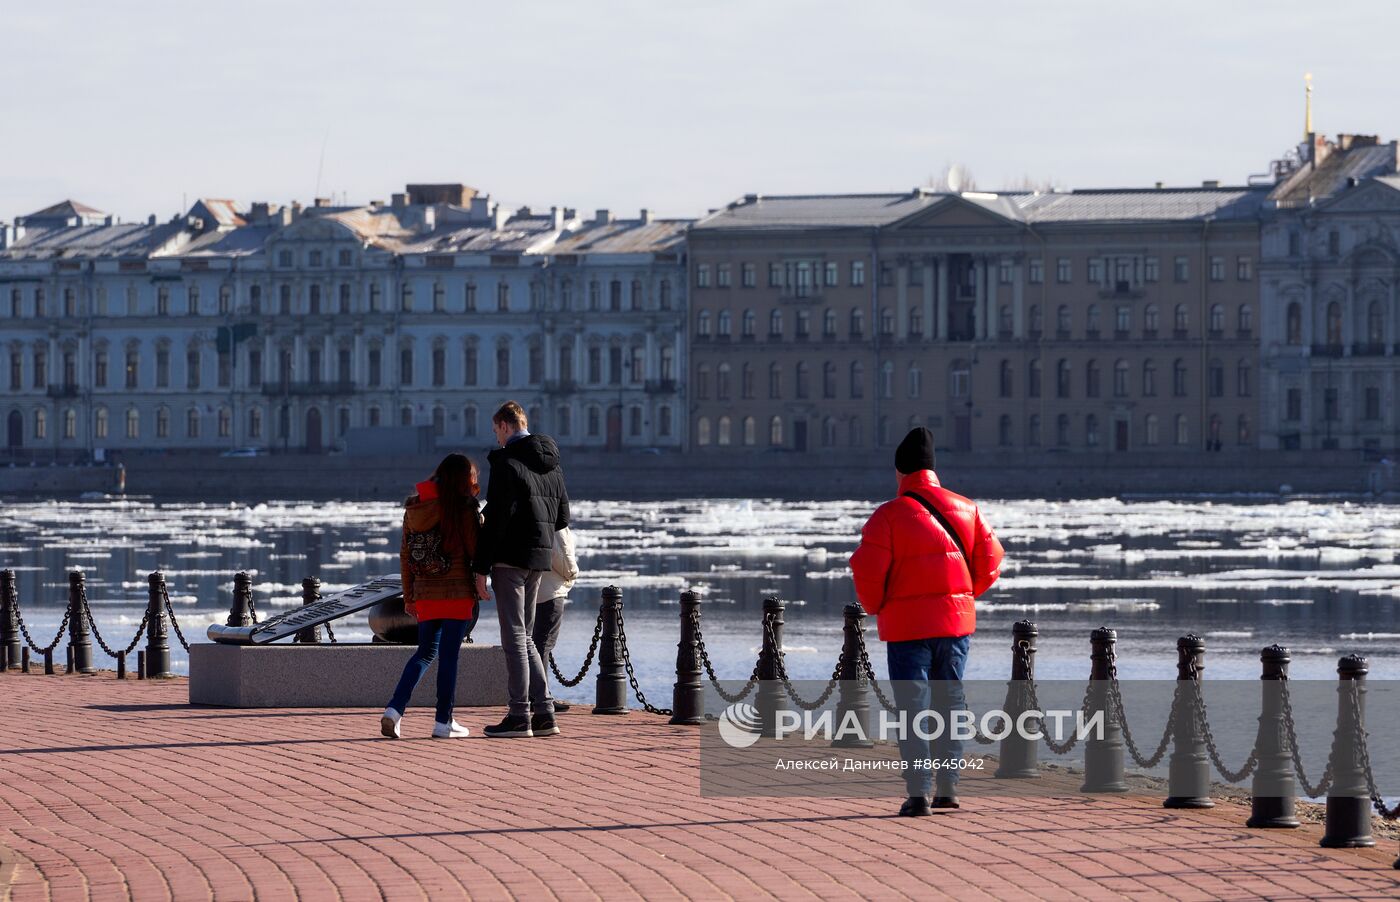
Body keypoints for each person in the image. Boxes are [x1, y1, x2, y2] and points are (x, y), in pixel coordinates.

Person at [849, 427, 1004, 817]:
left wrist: (878, 606)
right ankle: (949, 788)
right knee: (950, 702)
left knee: (912, 707)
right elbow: (991, 562)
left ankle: (918, 794)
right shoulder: (967, 509)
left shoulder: (887, 516)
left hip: (906, 631)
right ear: (933, 469)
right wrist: (960, 599)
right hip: (953, 629)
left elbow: (867, 575)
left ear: (900, 472)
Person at [473, 401, 569, 738]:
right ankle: (544, 713)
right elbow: (561, 518)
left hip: (509, 558)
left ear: (504, 425)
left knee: (514, 636)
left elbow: (498, 518)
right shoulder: (552, 464)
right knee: (525, 637)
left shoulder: (506, 462)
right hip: (539, 558)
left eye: (496, 430)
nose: (496, 438)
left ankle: (519, 716)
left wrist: (480, 567)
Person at [381, 452, 482, 740]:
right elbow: (475, 550)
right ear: (464, 479)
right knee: (449, 657)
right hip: (457, 591)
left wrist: (409, 595)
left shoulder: (415, 507)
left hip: (425, 592)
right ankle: (443, 721)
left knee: (424, 653)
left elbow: (405, 555)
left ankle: (394, 710)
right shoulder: (462, 507)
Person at [532, 526, 579, 711]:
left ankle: (534, 694)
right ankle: (541, 696)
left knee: (535, 643)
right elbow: (563, 556)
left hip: (534, 589)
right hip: (552, 590)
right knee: (544, 644)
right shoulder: (557, 526)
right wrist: (573, 574)